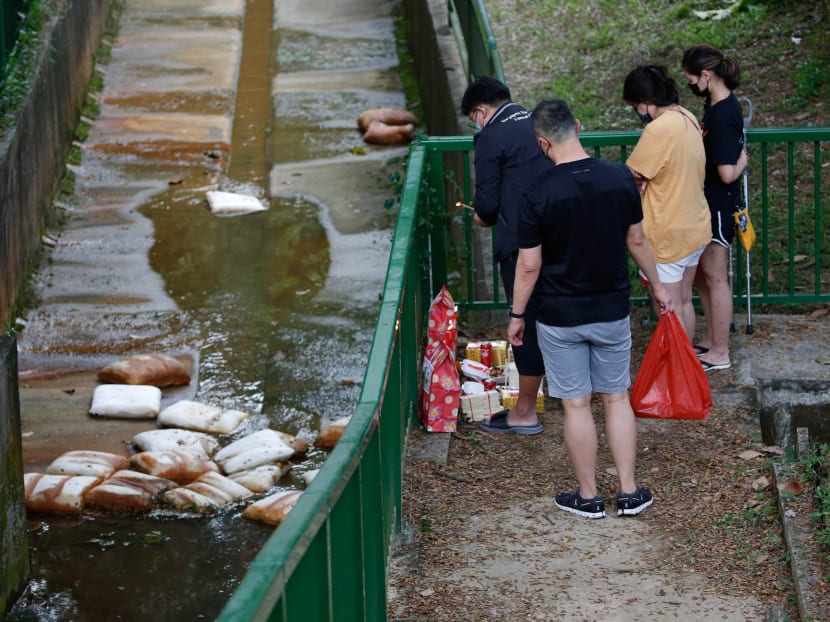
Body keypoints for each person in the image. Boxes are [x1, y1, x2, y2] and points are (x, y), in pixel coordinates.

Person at [508, 99, 673, 519]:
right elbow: (636, 241)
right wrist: (658, 286)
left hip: (560, 315)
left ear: (543, 143)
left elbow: (530, 264)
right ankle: (630, 492)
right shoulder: (619, 177)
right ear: (577, 126)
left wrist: (516, 314)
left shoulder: (537, 192)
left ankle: (589, 497)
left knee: (576, 405)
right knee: (617, 398)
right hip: (611, 308)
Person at [460, 76, 553, 435]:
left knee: (523, 323)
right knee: (559, 317)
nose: (475, 123)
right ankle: (573, 392)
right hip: (561, 236)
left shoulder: (490, 137)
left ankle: (525, 413)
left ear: (481, 111)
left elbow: (486, 205)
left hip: (520, 242)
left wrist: (480, 215)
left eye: (473, 118)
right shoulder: (541, 122)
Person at [623, 65, 711, 341]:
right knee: (684, 301)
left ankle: (676, 372)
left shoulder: (659, 129)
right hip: (694, 225)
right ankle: (686, 369)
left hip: (668, 234)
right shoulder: (687, 116)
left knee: (668, 309)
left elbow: (631, 174)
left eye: (635, 105)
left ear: (645, 103)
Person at [682, 45, 748, 372]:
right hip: (707, 203)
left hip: (719, 204)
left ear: (706, 75)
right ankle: (711, 340)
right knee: (705, 278)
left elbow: (726, 172)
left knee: (715, 276)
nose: (691, 85)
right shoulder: (715, 104)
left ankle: (720, 351)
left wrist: (742, 161)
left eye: (692, 79)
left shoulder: (723, 114)